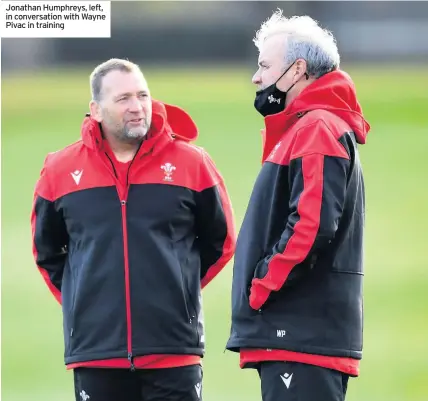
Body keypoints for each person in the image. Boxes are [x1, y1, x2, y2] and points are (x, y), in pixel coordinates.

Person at [31, 58, 236, 401]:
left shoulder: (193, 162)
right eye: (123, 99)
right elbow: (46, 252)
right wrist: (85, 302)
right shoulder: (59, 170)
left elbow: (222, 241)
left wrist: (175, 287)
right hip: (96, 352)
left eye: (142, 95)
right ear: (96, 110)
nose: (137, 107)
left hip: (173, 350)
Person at [226, 10, 370, 401]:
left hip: (300, 335)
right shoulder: (309, 127)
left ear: (297, 70)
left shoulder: (316, 128)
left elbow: (310, 226)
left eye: (264, 66)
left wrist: (261, 286)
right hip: (300, 335)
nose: (257, 78)